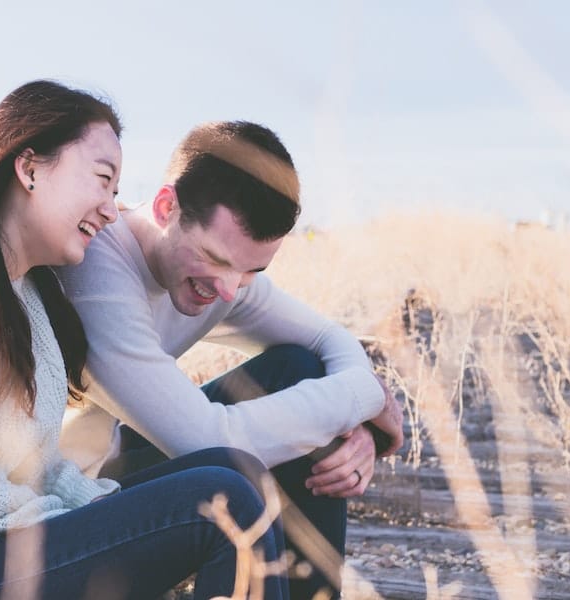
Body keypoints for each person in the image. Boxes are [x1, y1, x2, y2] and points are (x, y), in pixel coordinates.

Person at [0, 81, 288, 599]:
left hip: (5, 549)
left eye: (116, 192)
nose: (112, 209)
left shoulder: (25, 295)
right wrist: (78, 521)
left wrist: (97, 509)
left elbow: (37, 465)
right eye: (101, 181)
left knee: (234, 467)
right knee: (222, 499)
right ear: (29, 168)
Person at [55, 120, 405, 599]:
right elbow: (207, 439)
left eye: (252, 270)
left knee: (299, 369)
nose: (228, 289)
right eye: (215, 259)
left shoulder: (227, 278)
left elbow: (329, 338)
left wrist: (356, 425)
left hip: (110, 469)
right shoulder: (96, 270)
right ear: (165, 207)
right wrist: (363, 398)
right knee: (239, 472)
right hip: (59, 516)